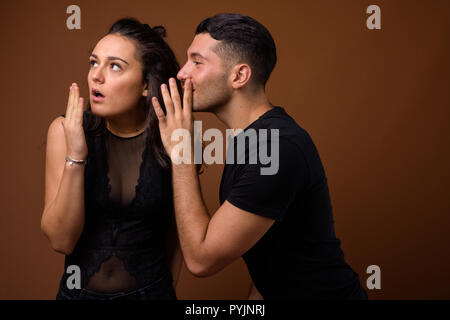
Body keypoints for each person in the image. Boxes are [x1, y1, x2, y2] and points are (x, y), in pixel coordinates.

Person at [151, 13, 368, 299]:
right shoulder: (253, 139)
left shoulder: (277, 148)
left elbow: (200, 259)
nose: (182, 73)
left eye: (197, 62)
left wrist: (181, 155)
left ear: (239, 76)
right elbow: (272, 263)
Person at [41, 18, 183, 300]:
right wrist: (76, 157)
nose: (96, 75)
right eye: (94, 62)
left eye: (115, 66)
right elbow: (62, 240)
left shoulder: (172, 136)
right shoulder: (65, 130)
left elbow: (176, 236)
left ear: (145, 85)